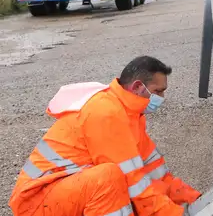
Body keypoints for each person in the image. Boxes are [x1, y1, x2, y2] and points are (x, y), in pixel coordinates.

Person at [8, 56, 201, 216]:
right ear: (137, 87)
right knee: (109, 179)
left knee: (118, 183)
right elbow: (134, 184)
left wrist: (190, 197)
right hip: (36, 203)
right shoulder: (106, 112)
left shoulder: (132, 115)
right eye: (158, 91)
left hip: (62, 192)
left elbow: (153, 172)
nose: (162, 98)